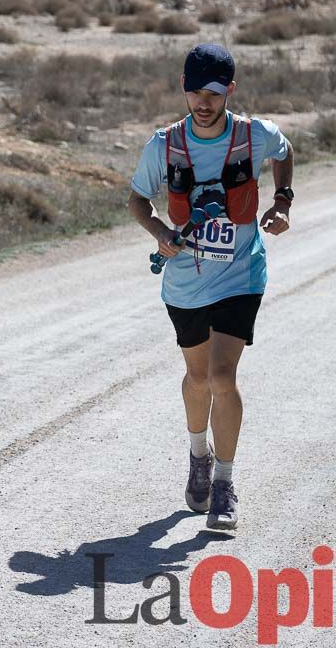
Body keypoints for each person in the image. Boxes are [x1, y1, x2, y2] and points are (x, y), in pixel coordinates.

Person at [127, 43, 295, 530]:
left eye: (215, 93)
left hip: (242, 273)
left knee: (223, 376)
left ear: (231, 92)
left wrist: (282, 202)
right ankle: (198, 454)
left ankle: (224, 484)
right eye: (196, 92)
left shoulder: (253, 135)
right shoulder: (163, 145)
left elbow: (285, 152)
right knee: (197, 379)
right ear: (184, 89)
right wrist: (161, 234)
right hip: (185, 282)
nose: (204, 102)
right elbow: (138, 199)